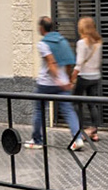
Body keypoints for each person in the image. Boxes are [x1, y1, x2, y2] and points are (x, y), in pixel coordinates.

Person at [31, 16, 81, 148]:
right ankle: (78, 139)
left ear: (41, 28)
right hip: (64, 85)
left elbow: (51, 62)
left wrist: (58, 80)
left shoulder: (43, 44)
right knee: (69, 111)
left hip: (46, 84)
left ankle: (37, 140)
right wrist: (69, 80)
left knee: (39, 111)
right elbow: (69, 62)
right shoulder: (62, 41)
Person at [73, 15, 104, 141]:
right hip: (96, 77)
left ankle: (80, 130)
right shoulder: (98, 43)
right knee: (92, 104)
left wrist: (72, 77)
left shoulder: (82, 43)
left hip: (83, 77)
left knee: (76, 103)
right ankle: (94, 131)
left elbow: (79, 63)